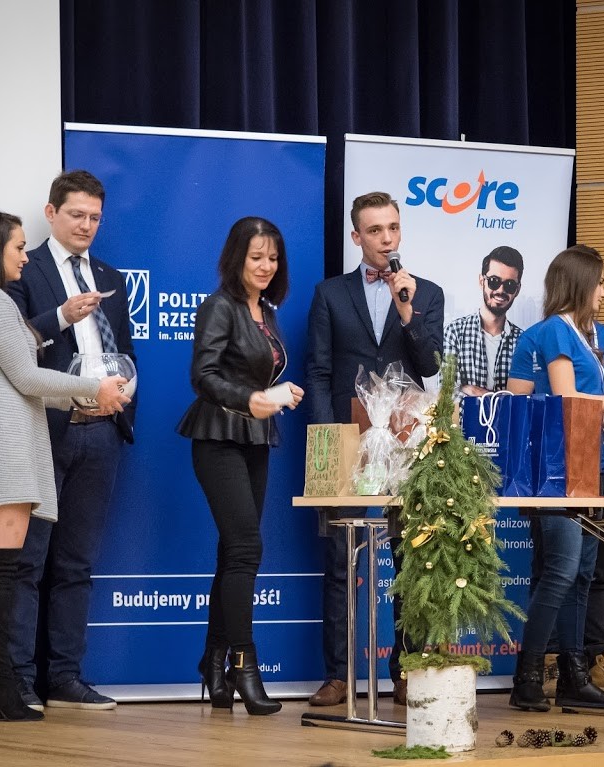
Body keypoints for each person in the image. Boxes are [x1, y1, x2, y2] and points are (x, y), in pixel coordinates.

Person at [0, 210, 129, 721]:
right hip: (4, 451)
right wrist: (93, 389)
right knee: (1, 571)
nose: (24, 255)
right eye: (17, 247)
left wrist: (81, 394)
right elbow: (26, 376)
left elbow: (16, 374)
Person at [505, 244, 604, 712]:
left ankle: (574, 674)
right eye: (601, 283)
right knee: (560, 571)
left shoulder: (585, 335)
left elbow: (592, 410)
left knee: (581, 576)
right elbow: (568, 401)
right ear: (581, 284)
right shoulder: (556, 330)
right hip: (560, 473)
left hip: (591, 469)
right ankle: (528, 676)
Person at [306, 191, 444, 707]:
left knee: (412, 557)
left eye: (393, 228)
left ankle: (407, 670)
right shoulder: (330, 294)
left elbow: (430, 366)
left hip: (407, 438)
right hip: (346, 439)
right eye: (375, 230)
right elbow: (318, 371)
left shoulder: (426, 293)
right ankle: (339, 674)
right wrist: (329, 441)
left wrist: (408, 313)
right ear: (356, 236)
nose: (386, 239)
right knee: (342, 558)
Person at [7, 170, 137, 712]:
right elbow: (14, 344)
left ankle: (65, 676)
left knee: (77, 565)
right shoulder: (25, 269)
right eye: (77, 215)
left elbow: (123, 350)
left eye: (95, 217)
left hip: (101, 434)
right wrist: (62, 315)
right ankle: (18, 679)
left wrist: (125, 395)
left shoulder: (110, 276)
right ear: (51, 213)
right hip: (45, 432)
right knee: (27, 562)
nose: (86, 225)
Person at [176, 217, 304, 716]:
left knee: (234, 552)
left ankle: (213, 663)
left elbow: (256, 374)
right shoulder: (219, 306)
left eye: (273, 258)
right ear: (236, 258)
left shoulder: (266, 311)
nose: (266, 266)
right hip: (218, 436)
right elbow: (203, 375)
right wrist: (251, 398)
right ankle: (244, 666)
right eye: (256, 257)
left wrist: (277, 394)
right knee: (247, 548)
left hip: (255, 437)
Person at [443, 245, 524, 396]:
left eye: (509, 285)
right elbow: (447, 395)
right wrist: (502, 397)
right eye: (494, 281)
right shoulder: (454, 332)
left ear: (517, 290)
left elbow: (523, 400)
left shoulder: (523, 341)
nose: (500, 290)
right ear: (482, 281)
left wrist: (472, 390)